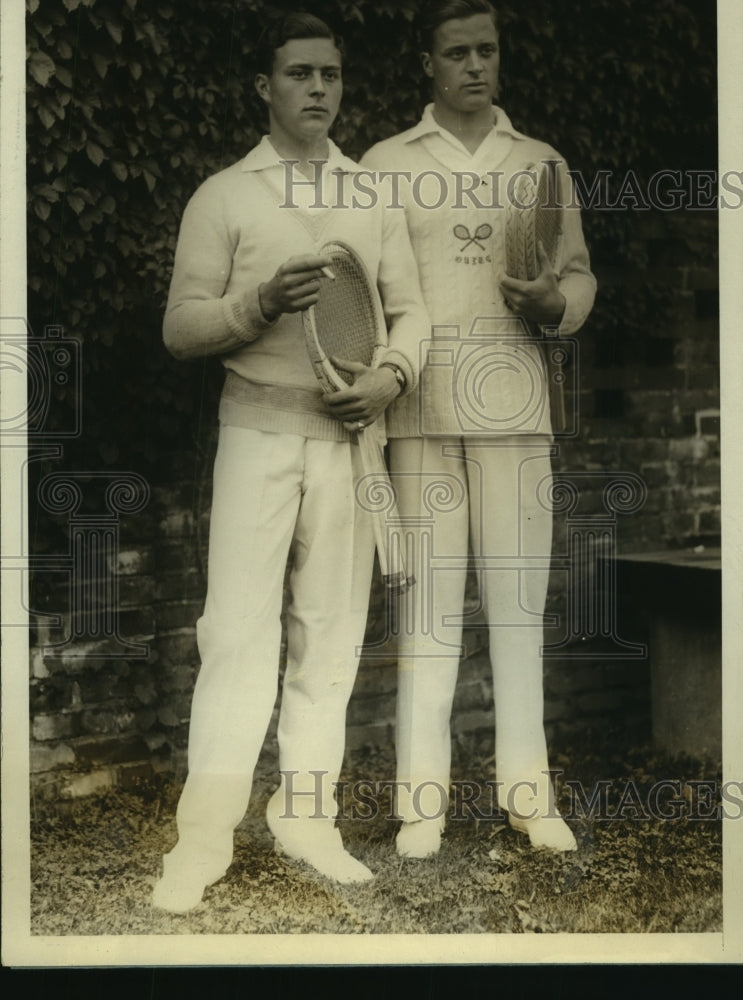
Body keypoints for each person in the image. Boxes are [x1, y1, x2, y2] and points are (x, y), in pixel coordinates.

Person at [153, 11, 429, 913]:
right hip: (256, 440)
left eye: (332, 75)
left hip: (351, 443)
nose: (318, 89)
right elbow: (180, 326)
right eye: (300, 73)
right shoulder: (223, 196)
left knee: (331, 637)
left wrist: (390, 375)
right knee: (235, 636)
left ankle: (307, 820)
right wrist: (257, 302)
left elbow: (409, 311)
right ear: (263, 87)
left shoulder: (371, 194)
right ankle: (203, 841)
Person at [361, 0, 596, 858]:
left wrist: (555, 305)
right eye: (455, 51)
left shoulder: (540, 164)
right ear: (428, 64)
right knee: (426, 615)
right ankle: (421, 803)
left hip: (514, 413)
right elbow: (370, 288)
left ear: (499, 59)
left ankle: (527, 796)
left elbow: (577, 278)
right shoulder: (384, 164)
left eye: (485, 50)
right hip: (419, 415)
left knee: (517, 608)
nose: (472, 64)